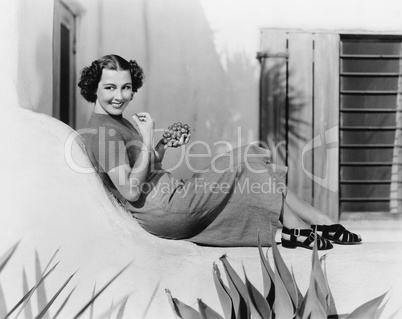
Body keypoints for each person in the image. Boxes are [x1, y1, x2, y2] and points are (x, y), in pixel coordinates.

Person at [79, 54, 361, 250]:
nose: (120, 96)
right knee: (247, 157)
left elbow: (147, 168)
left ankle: (315, 224)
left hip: (169, 197)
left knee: (251, 164)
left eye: (126, 87)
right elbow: (129, 190)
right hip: (166, 208)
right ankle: (302, 225)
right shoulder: (104, 133)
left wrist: (161, 144)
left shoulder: (115, 122)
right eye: (110, 87)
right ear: (95, 88)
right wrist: (146, 138)